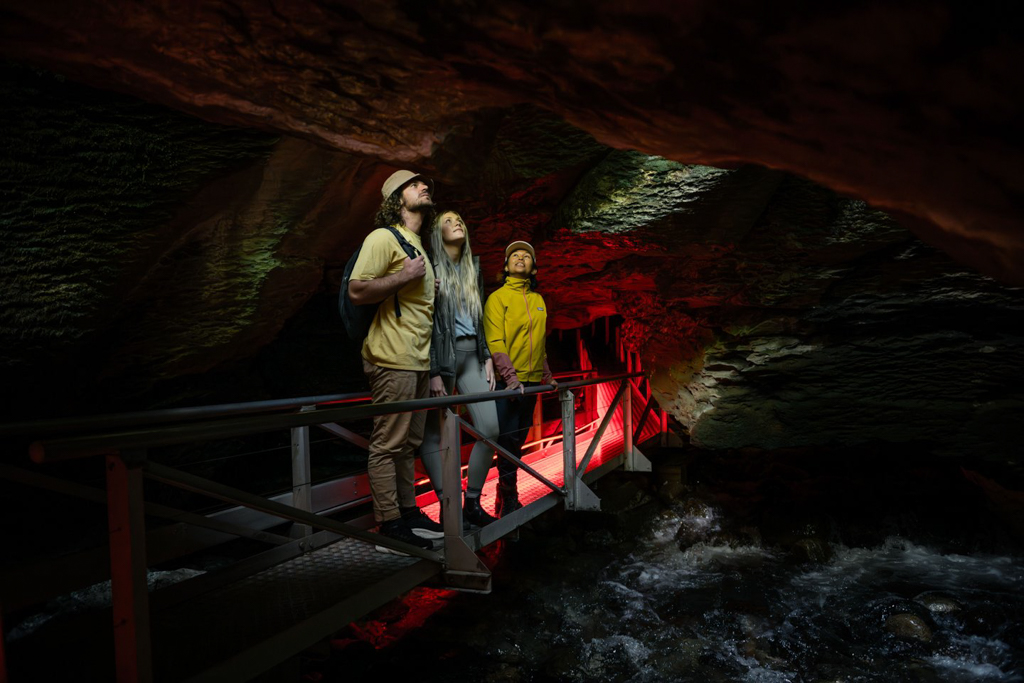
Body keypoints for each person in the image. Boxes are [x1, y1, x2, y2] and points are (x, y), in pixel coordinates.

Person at [348, 169, 444, 552]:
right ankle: (389, 525)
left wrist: (420, 282)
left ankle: (408, 513)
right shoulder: (383, 238)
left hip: (417, 361)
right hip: (392, 357)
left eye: (425, 183)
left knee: (408, 443)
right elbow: (357, 290)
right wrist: (403, 276)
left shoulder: (418, 245)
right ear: (395, 198)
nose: (424, 186)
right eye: (414, 184)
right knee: (388, 445)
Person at [419, 211, 501, 527]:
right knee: (431, 435)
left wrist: (486, 356)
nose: (458, 223)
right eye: (449, 220)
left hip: (471, 356)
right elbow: (423, 323)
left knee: (490, 430)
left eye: (462, 220)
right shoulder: (429, 268)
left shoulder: (472, 269)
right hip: (443, 358)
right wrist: (433, 370)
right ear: (437, 232)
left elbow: (478, 321)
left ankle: (472, 504)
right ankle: (447, 506)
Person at [483, 241, 557, 516]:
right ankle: (508, 497)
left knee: (518, 440)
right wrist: (510, 378)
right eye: (515, 254)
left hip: (533, 382)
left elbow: (539, 343)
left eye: (527, 255)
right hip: (508, 384)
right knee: (507, 441)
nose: (521, 258)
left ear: (533, 267)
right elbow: (495, 340)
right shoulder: (498, 298)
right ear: (505, 265)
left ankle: (504, 497)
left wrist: (547, 375)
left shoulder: (538, 301)